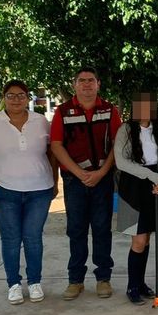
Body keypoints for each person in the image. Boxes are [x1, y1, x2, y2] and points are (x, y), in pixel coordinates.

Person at [0, 80, 58, 305]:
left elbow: (53, 153)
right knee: (10, 239)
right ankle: (14, 284)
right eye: (11, 95)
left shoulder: (41, 122)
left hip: (39, 190)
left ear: (28, 98)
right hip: (3, 190)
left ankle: (35, 282)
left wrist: (54, 180)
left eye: (21, 95)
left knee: (33, 238)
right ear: (4, 97)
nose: (16, 99)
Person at [50, 67, 122, 301]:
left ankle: (103, 278)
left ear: (98, 84)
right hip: (74, 180)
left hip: (102, 179)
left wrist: (102, 172)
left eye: (91, 80)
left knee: (102, 229)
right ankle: (75, 280)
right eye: (82, 81)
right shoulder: (63, 112)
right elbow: (57, 145)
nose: (87, 85)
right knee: (76, 230)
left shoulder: (110, 110)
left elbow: (116, 145)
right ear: (75, 85)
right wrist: (79, 172)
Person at [114, 92, 158, 305]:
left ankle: (141, 283)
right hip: (133, 188)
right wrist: (152, 176)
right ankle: (132, 286)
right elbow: (121, 162)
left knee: (146, 239)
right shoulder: (125, 130)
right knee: (137, 239)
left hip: (155, 186)